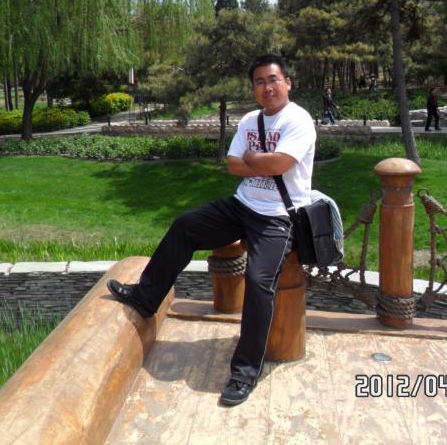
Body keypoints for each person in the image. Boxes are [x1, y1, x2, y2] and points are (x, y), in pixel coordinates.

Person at [107, 54, 315, 407]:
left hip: (278, 216)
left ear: (287, 83)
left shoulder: (299, 120)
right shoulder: (250, 120)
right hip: (242, 204)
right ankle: (146, 297)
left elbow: (281, 163)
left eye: (273, 80)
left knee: (259, 281)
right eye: (260, 82)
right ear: (253, 88)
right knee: (185, 226)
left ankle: (245, 373)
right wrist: (260, 162)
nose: (267, 87)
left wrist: (253, 159)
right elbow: (233, 165)